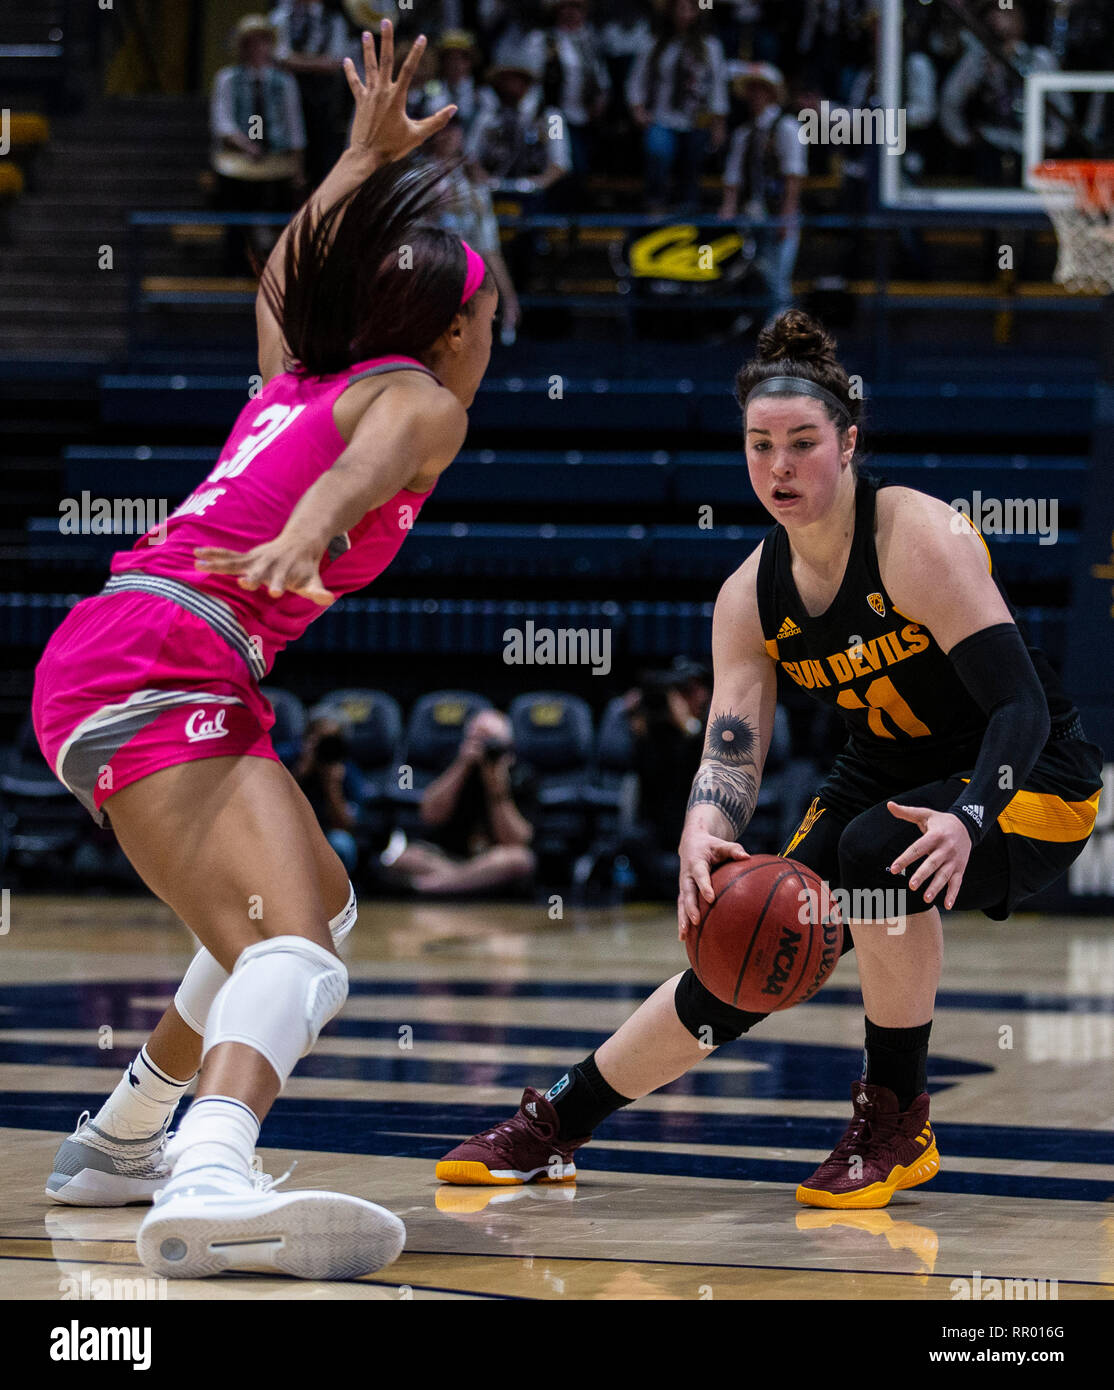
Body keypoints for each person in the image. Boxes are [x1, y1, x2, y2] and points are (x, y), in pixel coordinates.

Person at [434, 308, 1103, 1204]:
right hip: (889, 768)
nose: (780, 467)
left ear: (850, 442)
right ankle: (559, 1121)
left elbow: (1019, 705)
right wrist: (702, 833)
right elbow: (734, 742)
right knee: (752, 935)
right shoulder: (748, 594)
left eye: (803, 442)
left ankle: (896, 1119)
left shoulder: (917, 537)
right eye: (760, 446)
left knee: (874, 856)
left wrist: (971, 814)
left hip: (1029, 777)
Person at [34, 23, 495, 1279]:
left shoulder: (296, 371)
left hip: (126, 647)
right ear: (453, 330)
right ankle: (209, 1170)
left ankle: (122, 1137)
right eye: (490, 316)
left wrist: (355, 156)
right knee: (294, 944)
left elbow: (282, 274)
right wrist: (314, 523)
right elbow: (376, 458)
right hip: (165, 652)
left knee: (313, 910)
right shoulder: (418, 396)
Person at [381, 709, 536, 896]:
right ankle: (463, 883)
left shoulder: (522, 776)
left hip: (492, 859)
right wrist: (461, 766)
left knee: (520, 860)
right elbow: (429, 815)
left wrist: (497, 790)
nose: (483, 747)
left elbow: (517, 840)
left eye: (490, 741)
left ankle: (428, 887)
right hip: (450, 857)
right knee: (405, 858)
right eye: (476, 739)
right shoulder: (454, 764)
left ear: (507, 745)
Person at [210, 15, 307, 275]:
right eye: (251, 43)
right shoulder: (228, 79)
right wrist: (245, 144)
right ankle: (235, 265)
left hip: (276, 161)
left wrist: (297, 166)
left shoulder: (284, 82)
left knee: (277, 214)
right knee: (236, 217)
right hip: (238, 162)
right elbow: (222, 121)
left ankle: (274, 270)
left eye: (262, 42)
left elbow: (294, 125)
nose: (257, 49)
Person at [719, 63, 805, 322]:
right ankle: (756, 322)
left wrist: (786, 217)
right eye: (751, 90)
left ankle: (778, 334)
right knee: (756, 274)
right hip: (753, 214)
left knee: (778, 278)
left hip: (778, 212)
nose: (754, 96)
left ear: (770, 94)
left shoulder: (787, 128)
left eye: (760, 90)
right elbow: (732, 179)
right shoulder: (744, 134)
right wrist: (728, 211)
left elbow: (794, 176)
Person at [626, 0, 729, 213]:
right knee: (658, 153)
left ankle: (687, 210)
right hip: (662, 117)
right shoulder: (653, 43)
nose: (685, 15)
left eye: (690, 9)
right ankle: (655, 204)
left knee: (692, 167)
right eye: (680, 9)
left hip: (696, 119)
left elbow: (717, 86)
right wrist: (638, 109)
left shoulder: (711, 46)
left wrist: (719, 123)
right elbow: (636, 79)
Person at [426, 114, 521, 342]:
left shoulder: (474, 181)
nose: (447, 135)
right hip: (430, 270)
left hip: (466, 273)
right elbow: (407, 236)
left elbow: (489, 245)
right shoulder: (417, 175)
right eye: (441, 130)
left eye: (453, 129)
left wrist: (509, 299)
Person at [270, 0, 354, 185]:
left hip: (325, 98)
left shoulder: (333, 19)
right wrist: (318, 63)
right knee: (291, 144)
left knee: (324, 150)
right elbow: (279, 57)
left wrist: (296, 62)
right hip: (286, 93)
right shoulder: (281, 16)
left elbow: (337, 61)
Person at [293, 709, 366, 876]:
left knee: (342, 844)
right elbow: (269, 809)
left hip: (327, 834)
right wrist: (300, 772)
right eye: (318, 739)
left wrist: (332, 786)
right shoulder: (285, 758)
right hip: (289, 831)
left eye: (330, 740)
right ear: (306, 738)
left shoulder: (348, 772)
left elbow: (347, 826)